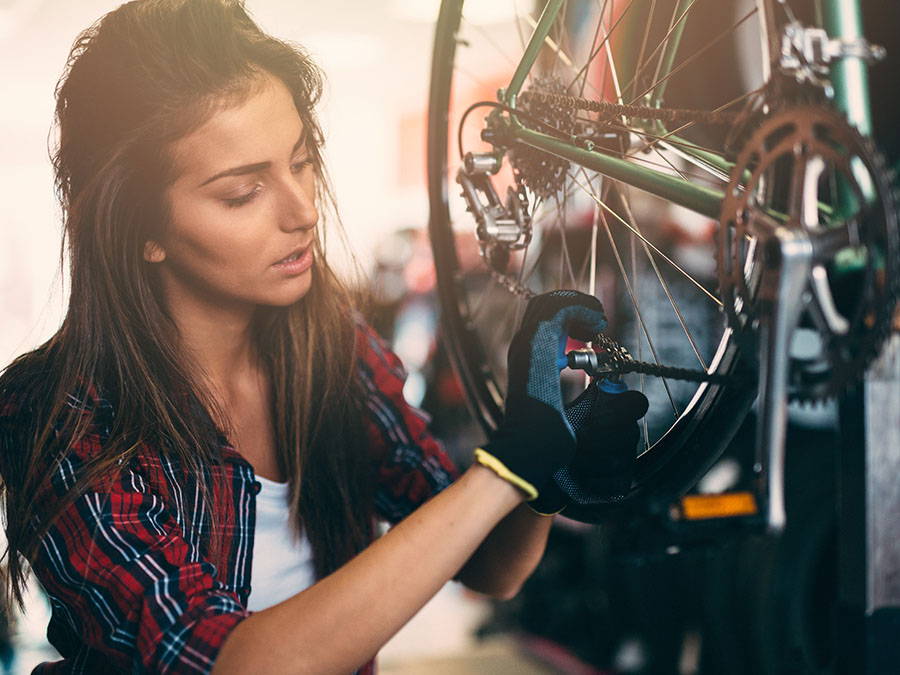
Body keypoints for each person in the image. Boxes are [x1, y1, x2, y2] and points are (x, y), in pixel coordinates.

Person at [0, 1, 648, 673]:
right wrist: (503, 470)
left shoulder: (335, 350)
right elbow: (232, 664)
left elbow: (490, 565)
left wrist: (544, 475)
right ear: (140, 230)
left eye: (302, 161)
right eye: (242, 193)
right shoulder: (56, 415)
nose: (303, 210)